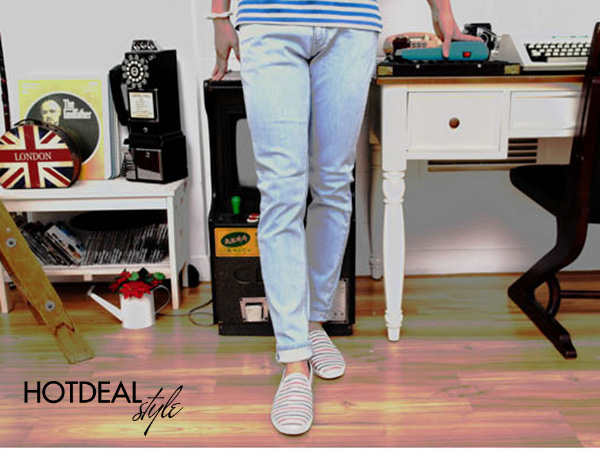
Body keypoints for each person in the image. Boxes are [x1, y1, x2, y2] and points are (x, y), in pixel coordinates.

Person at [209, 0, 481, 435]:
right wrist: (219, 16)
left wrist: (442, 11)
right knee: (282, 192)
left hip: (350, 22)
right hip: (270, 18)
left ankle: (313, 323)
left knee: (334, 183)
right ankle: (294, 360)